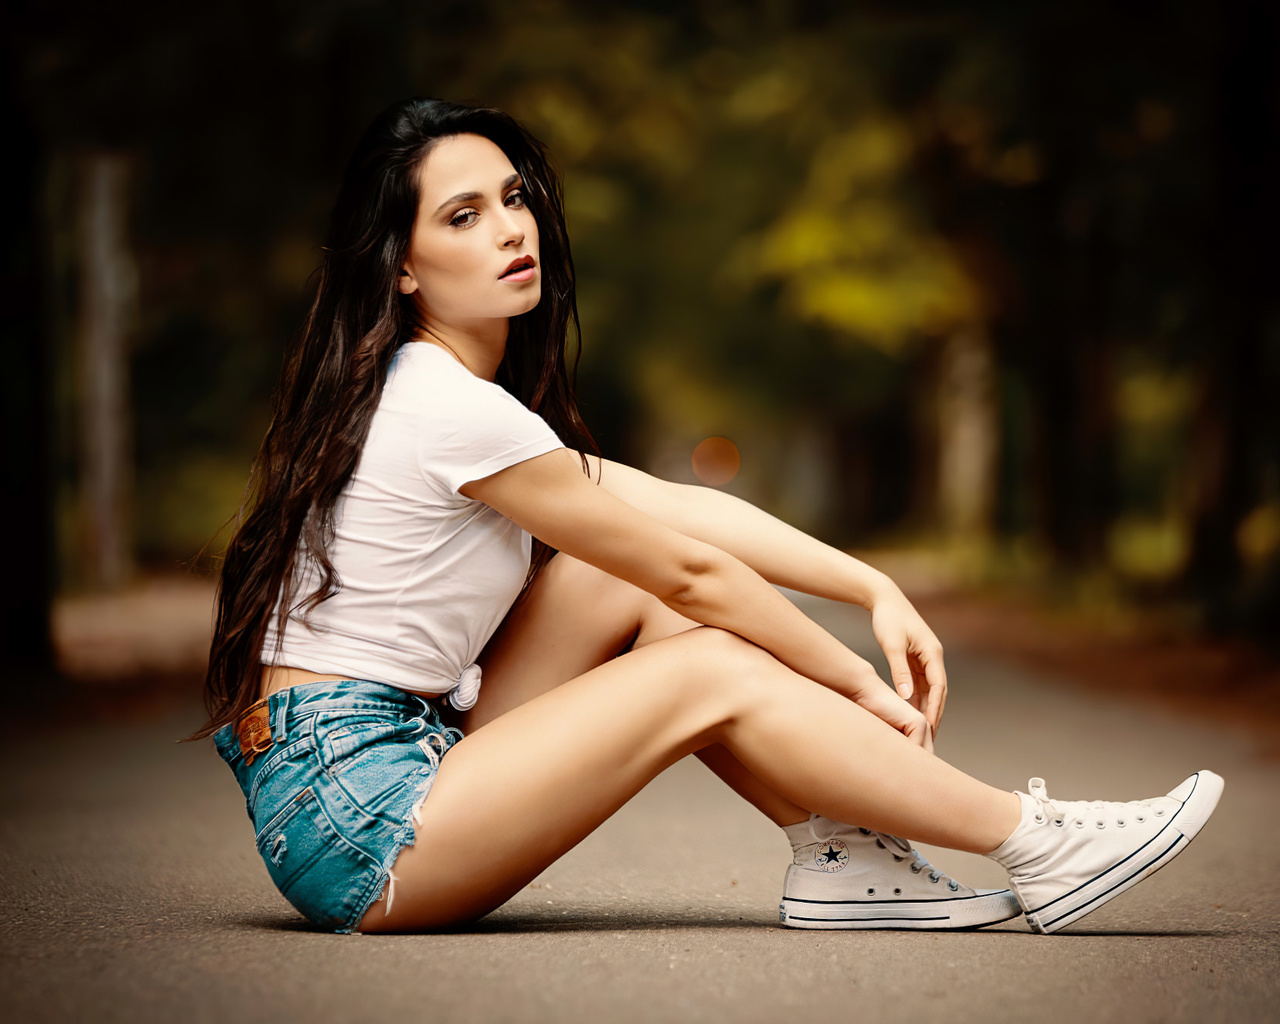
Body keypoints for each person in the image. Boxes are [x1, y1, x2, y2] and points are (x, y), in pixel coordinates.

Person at [198, 97, 1223, 937]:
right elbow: (694, 577)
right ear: (402, 266)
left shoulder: (445, 396)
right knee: (707, 660)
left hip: (385, 757)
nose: (511, 228)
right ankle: (1032, 840)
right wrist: (856, 681)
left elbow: (679, 511)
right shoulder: (441, 401)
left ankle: (841, 856)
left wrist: (873, 586)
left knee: (616, 579)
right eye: (461, 216)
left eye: (512, 198)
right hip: (357, 820)